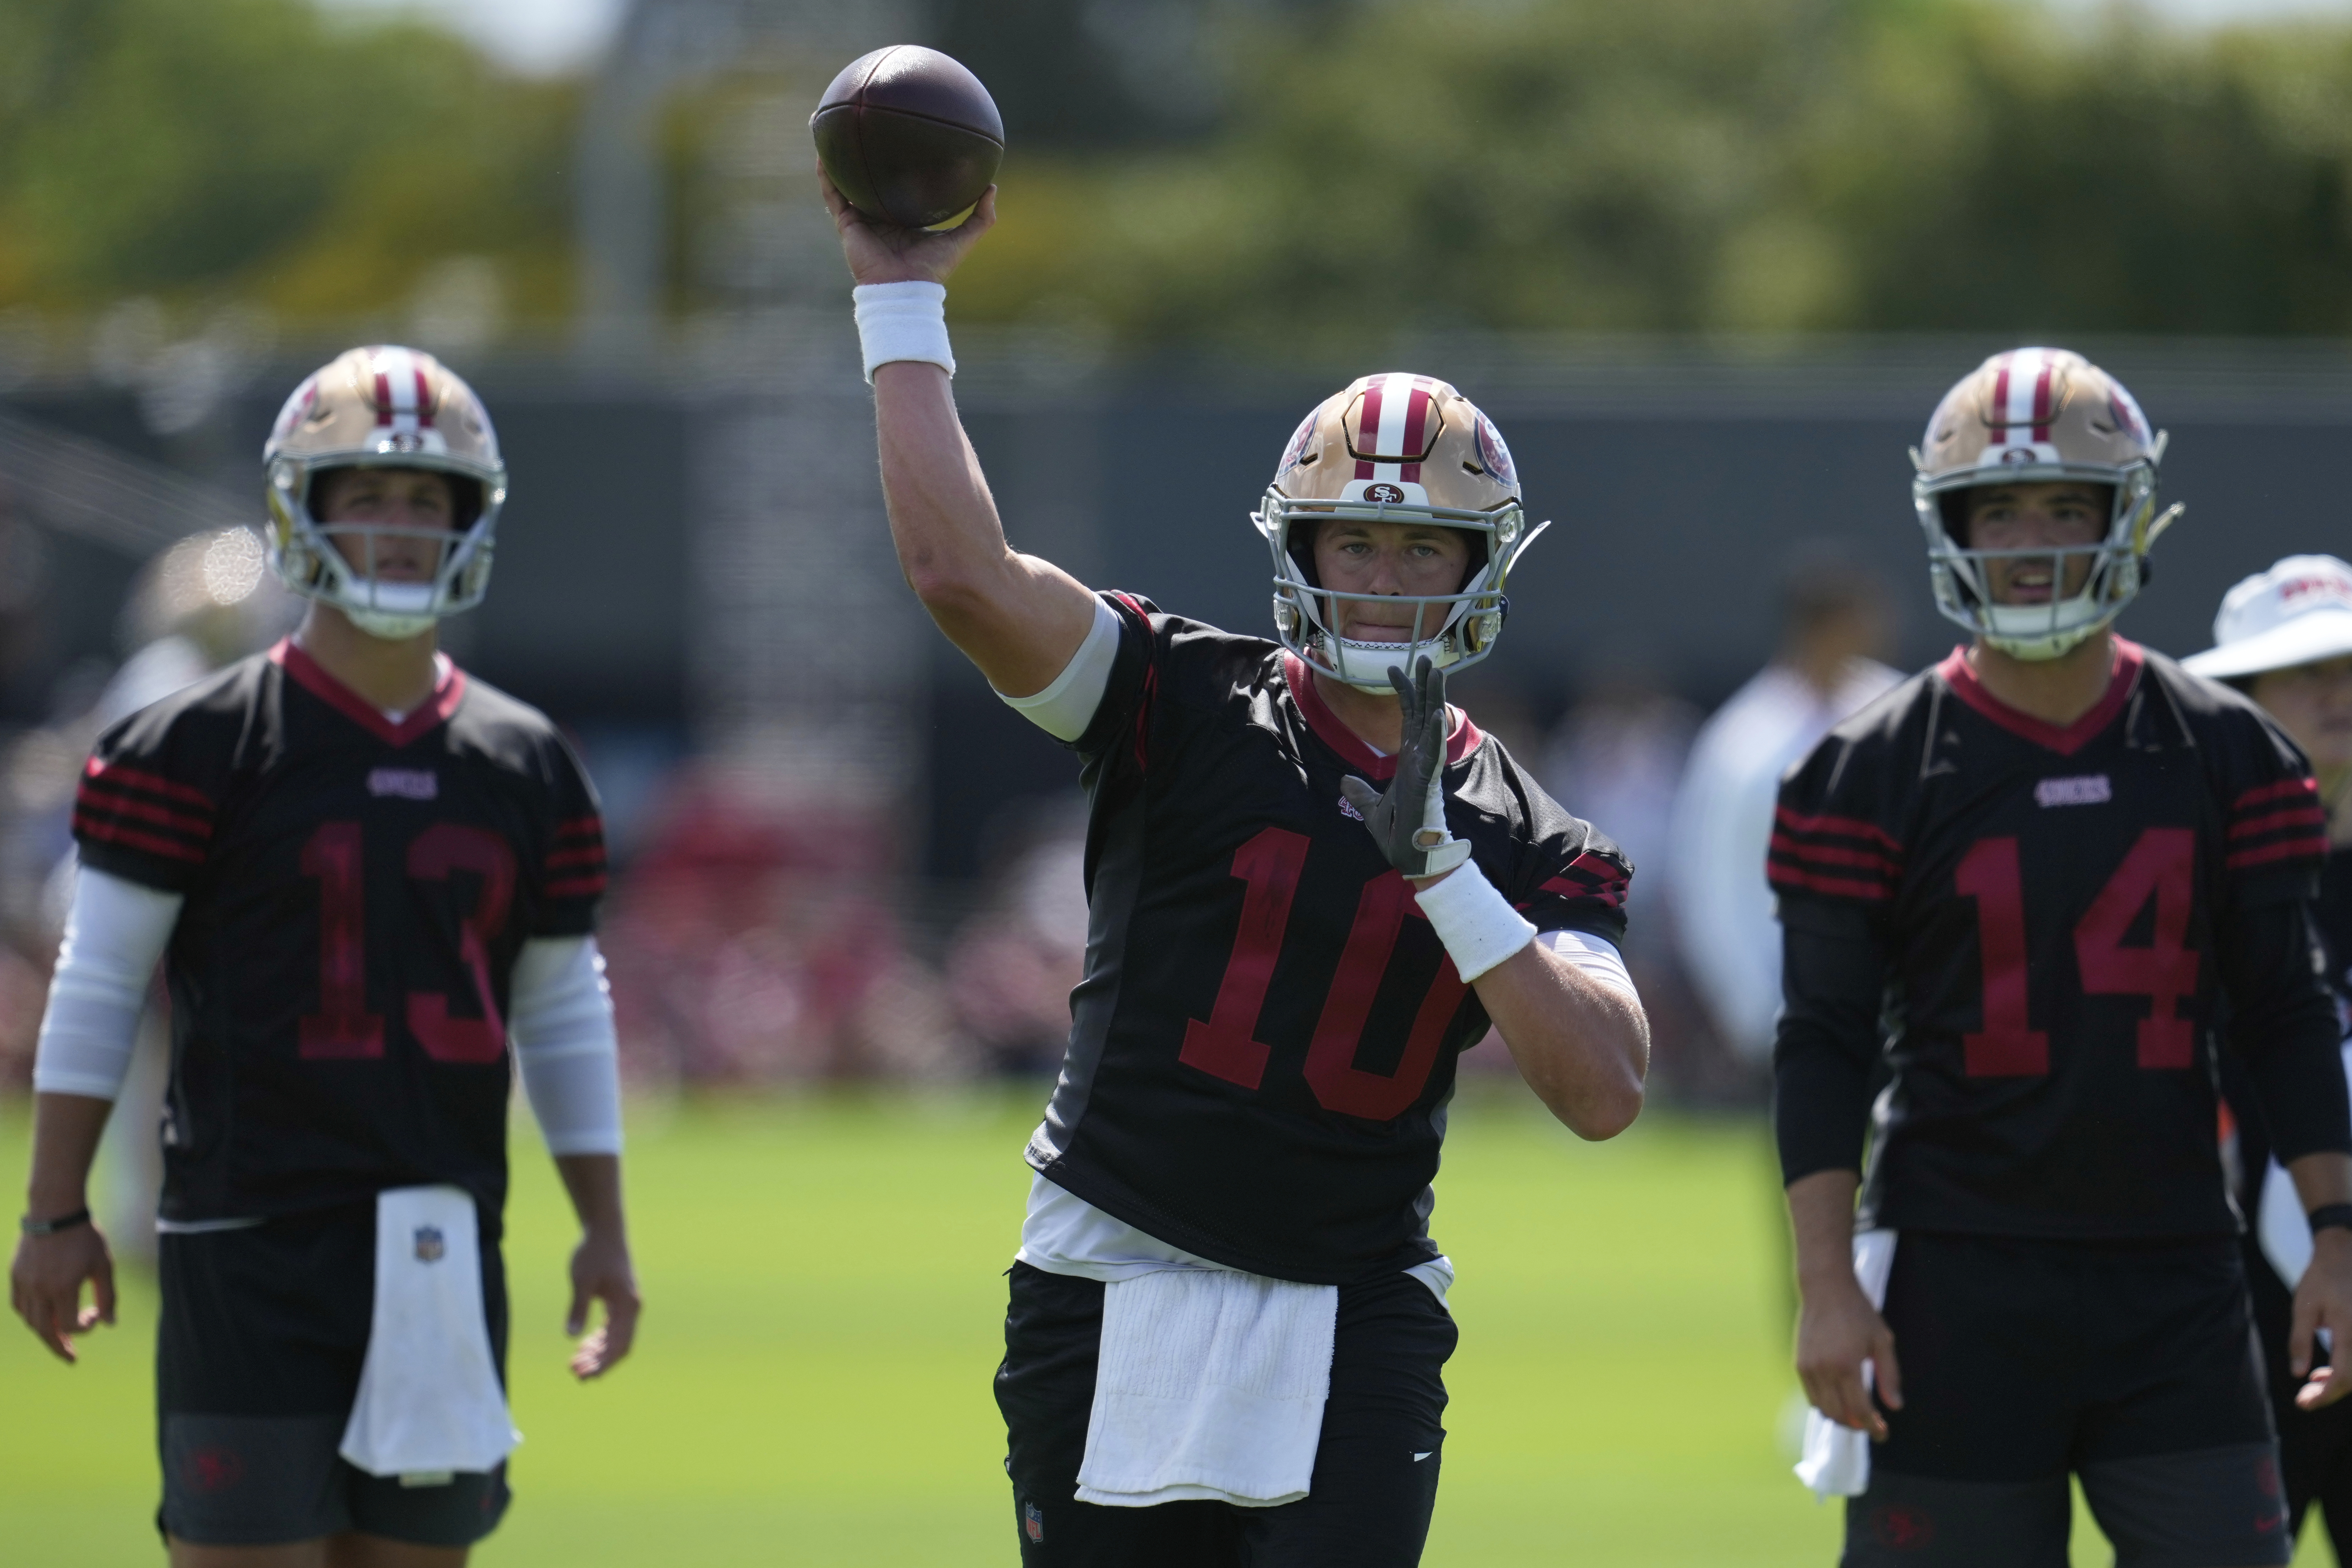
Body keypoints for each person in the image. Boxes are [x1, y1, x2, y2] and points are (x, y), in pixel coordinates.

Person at [824, 176, 1650, 1567]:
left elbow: (1604, 1088)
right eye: (1355, 540)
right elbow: (959, 574)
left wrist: (1443, 869)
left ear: (1479, 566)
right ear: (1299, 547)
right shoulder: (1178, 699)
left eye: (1418, 546)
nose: (1383, 578)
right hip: (1113, 1265)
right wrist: (899, 294)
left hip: (1358, 1296)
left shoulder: (1529, 829)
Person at [7, 345, 641, 1567]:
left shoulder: (525, 760)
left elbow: (562, 1005)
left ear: (469, 519)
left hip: (441, 1245)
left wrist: (602, 1224)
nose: (400, 529)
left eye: (426, 501)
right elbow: (98, 982)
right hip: (246, 1241)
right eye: (367, 495)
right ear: (306, 507)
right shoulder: (189, 742)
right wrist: (54, 1210)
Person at [1773, 346, 2352, 1567]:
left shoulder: (2230, 752)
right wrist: (1825, 1283)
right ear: (1952, 526)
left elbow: (2286, 1014)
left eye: (2064, 507)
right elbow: (1821, 1041)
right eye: (1999, 509)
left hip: (2178, 1281)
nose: (2031, 539)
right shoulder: (1866, 768)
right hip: (1953, 1279)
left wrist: (2336, 1238)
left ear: (2123, 517)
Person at [2184, 555, 2352, 1557]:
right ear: (2240, 698)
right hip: (2234, 1324)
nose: (2339, 692)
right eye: (2307, 670)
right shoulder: (2191, 881)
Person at [1668, 551, 1898, 1071]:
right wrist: (1746, 1001)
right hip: (1789, 990)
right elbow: (1707, 877)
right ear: (1816, 628)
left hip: (1900, 989)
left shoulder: (1902, 708)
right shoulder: (1745, 742)